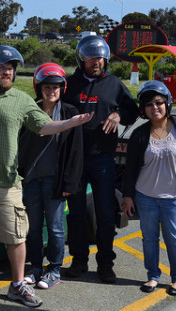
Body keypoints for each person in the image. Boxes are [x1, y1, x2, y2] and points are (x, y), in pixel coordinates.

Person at [0, 45, 93, 308]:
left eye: (11, 68)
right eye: (1, 67)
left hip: (6, 182)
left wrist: (69, 123)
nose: (7, 72)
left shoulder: (21, 99)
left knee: (16, 235)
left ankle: (17, 285)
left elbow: (43, 125)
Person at [61, 35, 139, 283]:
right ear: (81, 58)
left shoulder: (114, 84)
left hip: (103, 159)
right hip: (74, 160)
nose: (97, 62)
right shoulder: (68, 85)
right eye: (92, 57)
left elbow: (132, 110)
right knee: (75, 214)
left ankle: (105, 264)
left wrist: (117, 114)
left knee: (105, 214)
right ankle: (79, 261)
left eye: (101, 58)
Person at [121, 80, 176, 296]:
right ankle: (153, 276)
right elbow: (130, 170)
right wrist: (128, 196)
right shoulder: (139, 134)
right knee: (149, 239)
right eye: (148, 105)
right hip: (145, 196)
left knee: (174, 239)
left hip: (175, 198)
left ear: (167, 103)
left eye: (158, 103)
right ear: (143, 109)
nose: (154, 108)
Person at [18, 63, 84, 290]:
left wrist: (69, 182)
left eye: (56, 86)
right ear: (39, 88)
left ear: (62, 88)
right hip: (32, 179)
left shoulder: (70, 113)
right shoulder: (30, 111)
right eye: (46, 87)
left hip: (55, 180)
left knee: (55, 227)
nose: (51, 91)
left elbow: (76, 151)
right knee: (33, 227)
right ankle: (36, 268)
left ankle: (54, 269)